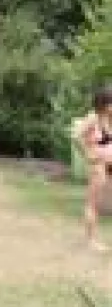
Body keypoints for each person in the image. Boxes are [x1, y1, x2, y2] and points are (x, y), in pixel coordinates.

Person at [78, 86, 112, 252]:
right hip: (98, 165)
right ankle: (90, 241)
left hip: (109, 163)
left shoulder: (108, 119)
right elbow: (77, 137)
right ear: (105, 103)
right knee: (94, 203)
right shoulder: (93, 118)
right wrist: (88, 155)